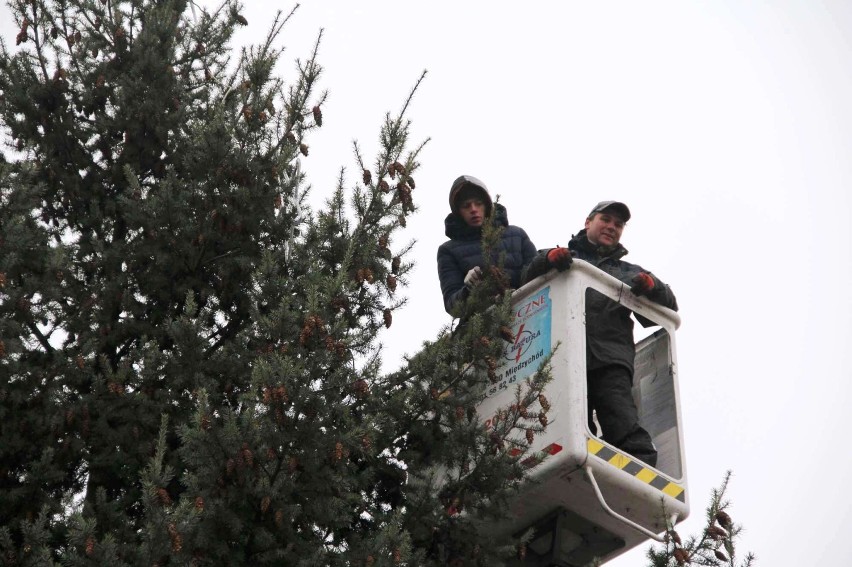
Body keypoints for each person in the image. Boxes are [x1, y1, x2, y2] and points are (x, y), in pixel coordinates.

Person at [522, 201, 678, 467]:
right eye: (606, 220)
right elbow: (526, 274)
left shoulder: (627, 272)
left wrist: (652, 288)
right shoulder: (565, 257)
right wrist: (548, 259)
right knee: (569, 424)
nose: (612, 227)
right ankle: (581, 473)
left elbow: (670, 304)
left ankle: (640, 477)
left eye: (618, 225)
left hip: (610, 360)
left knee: (622, 422)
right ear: (588, 222)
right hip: (566, 357)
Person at [437, 175, 545, 315]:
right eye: (466, 206)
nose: (474, 209)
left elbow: (535, 273)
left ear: (487, 206)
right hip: (485, 328)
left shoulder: (516, 235)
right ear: (458, 212)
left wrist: (547, 258)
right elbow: (452, 306)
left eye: (478, 203)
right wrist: (469, 288)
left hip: (529, 312)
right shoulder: (448, 251)